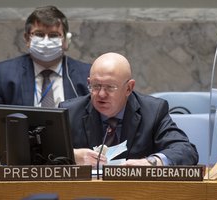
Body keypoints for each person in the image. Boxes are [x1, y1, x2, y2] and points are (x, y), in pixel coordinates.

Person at [0, 6, 91, 162]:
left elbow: (96, 124)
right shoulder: (5, 74)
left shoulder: (86, 75)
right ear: (27, 39)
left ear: (66, 41)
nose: (46, 41)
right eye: (39, 34)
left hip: (72, 165)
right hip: (17, 164)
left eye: (54, 35)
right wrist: (25, 156)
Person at [59, 52, 199, 167]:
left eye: (110, 87)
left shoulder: (153, 111)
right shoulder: (70, 112)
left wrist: (151, 163)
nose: (101, 94)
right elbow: (41, 154)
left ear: (129, 88)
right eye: (95, 86)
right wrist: (73, 155)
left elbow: (186, 150)